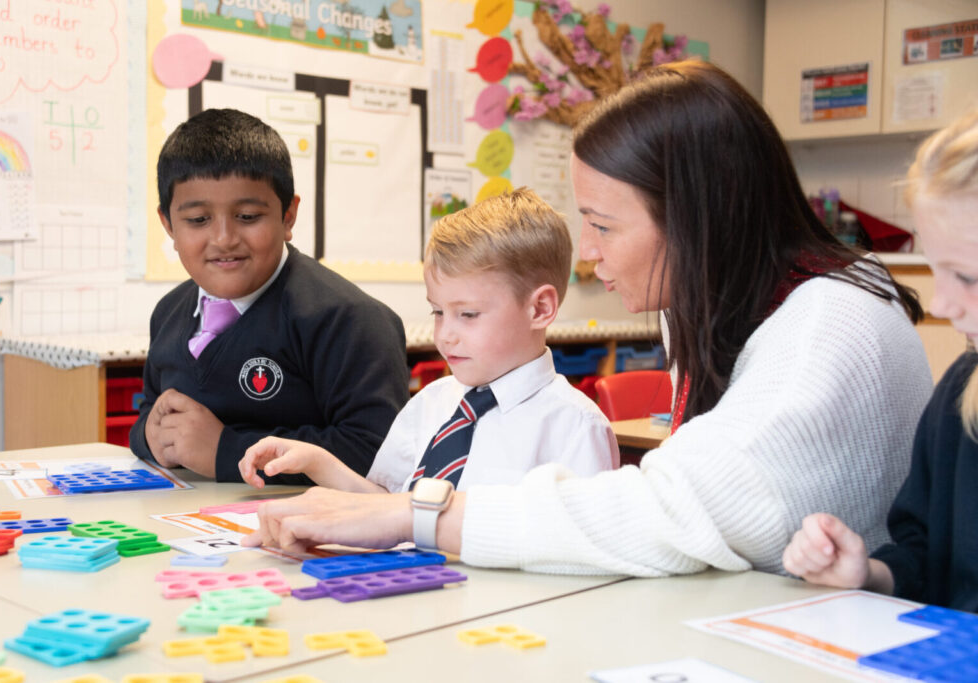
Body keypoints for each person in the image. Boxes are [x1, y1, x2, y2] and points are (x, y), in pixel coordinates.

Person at [241, 61, 932, 577]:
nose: (589, 252)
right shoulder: (713, 300)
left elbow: (683, 510)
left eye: (603, 225)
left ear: (696, 219)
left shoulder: (829, 321)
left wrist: (422, 516)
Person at [237, 188, 619, 494]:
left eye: (467, 314)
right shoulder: (432, 403)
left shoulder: (575, 427)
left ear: (540, 309)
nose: (445, 334)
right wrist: (317, 462)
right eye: (438, 312)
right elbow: (387, 506)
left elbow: (582, 547)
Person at [130, 108, 409, 484]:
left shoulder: (349, 319)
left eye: (247, 216)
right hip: (189, 525)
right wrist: (149, 436)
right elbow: (151, 412)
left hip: (300, 530)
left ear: (288, 216)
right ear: (168, 225)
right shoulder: (168, 312)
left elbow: (375, 451)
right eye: (198, 220)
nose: (224, 238)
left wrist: (224, 451)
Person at [783, 109, 978, 611]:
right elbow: (925, 553)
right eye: (938, 272)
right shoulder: (961, 391)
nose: (940, 305)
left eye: (968, 277)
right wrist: (869, 573)